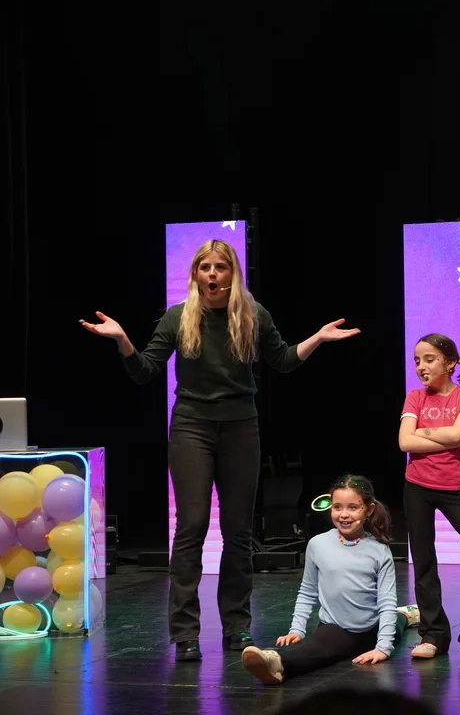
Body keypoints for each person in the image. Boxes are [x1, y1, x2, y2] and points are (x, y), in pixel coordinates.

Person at [79, 239, 359, 661]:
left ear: (232, 273)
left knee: (238, 530)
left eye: (220, 267)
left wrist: (317, 337)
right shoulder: (178, 317)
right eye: (205, 267)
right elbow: (145, 371)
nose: (212, 274)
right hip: (191, 427)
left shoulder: (252, 314)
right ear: (196, 274)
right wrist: (122, 339)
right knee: (191, 527)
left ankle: (236, 626)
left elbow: (283, 360)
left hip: (240, 427)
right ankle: (185, 633)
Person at [240, 474, 406, 684]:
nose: (344, 514)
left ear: (369, 509)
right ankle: (277, 663)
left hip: (369, 627)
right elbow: (307, 591)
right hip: (334, 625)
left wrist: (383, 648)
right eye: (337, 507)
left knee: (396, 624)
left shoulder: (379, 551)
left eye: (353, 507)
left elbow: (387, 602)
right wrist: (297, 628)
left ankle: (406, 615)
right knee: (322, 648)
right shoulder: (318, 544)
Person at [398, 333, 460, 663]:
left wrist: (424, 433)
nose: (421, 366)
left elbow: (458, 435)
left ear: (450, 363)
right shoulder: (415, 397)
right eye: (417, 361)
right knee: (424, 561)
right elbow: (405, 443)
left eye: (429, 359)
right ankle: (433, 635)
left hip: (452, 490)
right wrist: (445, 437)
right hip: (416, 487)